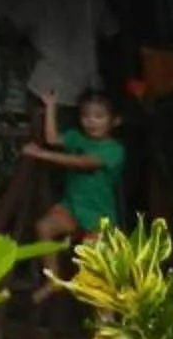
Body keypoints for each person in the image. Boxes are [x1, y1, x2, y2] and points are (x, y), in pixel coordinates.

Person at [20, 0, 116, 127]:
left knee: (46, 148)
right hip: (88, 87)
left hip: (46, 87)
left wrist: (21, 65)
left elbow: (6, 29)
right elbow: (112, 34)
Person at [23, 91, 127, 243]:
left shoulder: (114, 149)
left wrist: (40, 154)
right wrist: (51, 107)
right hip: (71, 207)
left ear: (115, 120)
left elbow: (83, 162)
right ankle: (51, 268)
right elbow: (52, 139)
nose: (91, 122)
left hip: (98, 214)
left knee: (90, 256)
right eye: (85, 116)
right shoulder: (76, 137)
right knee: (44, 228)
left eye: (99, 117)